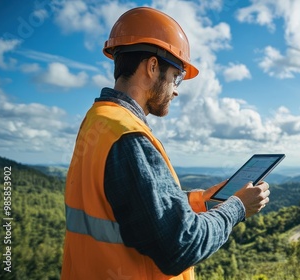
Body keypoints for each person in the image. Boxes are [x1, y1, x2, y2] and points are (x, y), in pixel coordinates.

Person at [61, 7, 270, 280]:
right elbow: (180, 246)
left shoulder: (98, 121)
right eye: (176, 76)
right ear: (152, 67)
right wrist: (236, 208)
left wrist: (204, 201)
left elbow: (141, 208)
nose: (176, 89)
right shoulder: (129, 137)